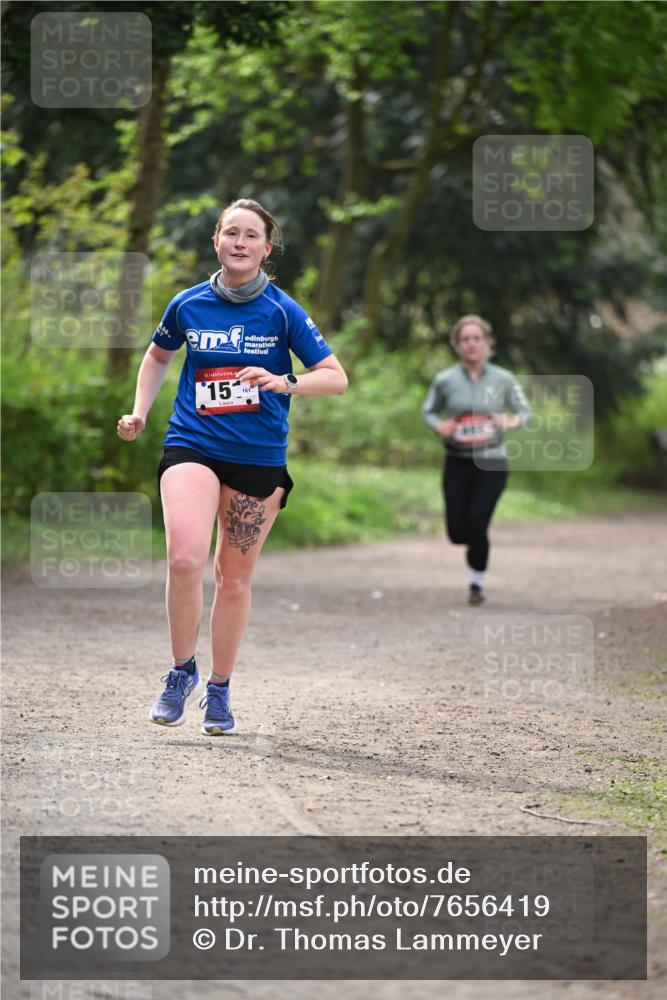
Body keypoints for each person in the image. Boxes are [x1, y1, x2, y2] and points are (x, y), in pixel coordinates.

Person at [117, 198, 347, 734]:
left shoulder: (283, 311)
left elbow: (335, 376)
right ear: (216, 241)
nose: (239, 243)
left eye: (251, 236)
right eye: (230, 233)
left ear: (267, 250)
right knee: (183, 559)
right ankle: (180, 673)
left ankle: (219, 688)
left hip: (257, 458)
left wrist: (284, 381)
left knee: (233, 578)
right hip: (192, 444)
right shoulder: (187, 305)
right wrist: (139, 412)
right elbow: (157, 356)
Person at [422, 314, 531, 606]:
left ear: (487, 343)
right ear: (457, 345)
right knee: (458, 532)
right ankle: (472, 543)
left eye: (477, 338)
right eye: (465, 339)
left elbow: (525, 412)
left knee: (478, 521)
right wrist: (437, 425)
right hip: (456, 460)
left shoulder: (504, 379)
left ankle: (477, 583)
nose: (471, 344)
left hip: (491, 461)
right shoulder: (444, 379)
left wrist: (511, 421)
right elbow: (428, 410)